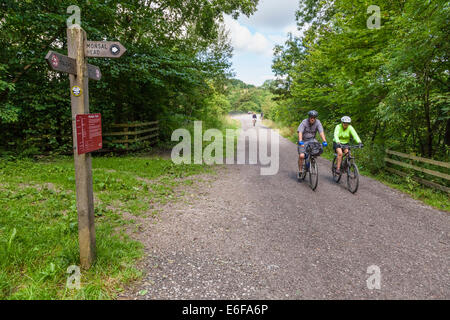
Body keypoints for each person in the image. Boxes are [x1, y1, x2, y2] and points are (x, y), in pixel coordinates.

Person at [297, 110, 328, 179]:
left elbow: (321, 132)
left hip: (312, 140)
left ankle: (311, 161)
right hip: (303, 140)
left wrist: (324, 141)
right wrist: (300, 141)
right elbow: (300, 132)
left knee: (317, 149)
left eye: (314, 117)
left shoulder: (318, 122)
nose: (312, 119)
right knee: (302, 156)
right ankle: (300, 171)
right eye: (311, 117)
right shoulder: (304, 122)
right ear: (309, 117)